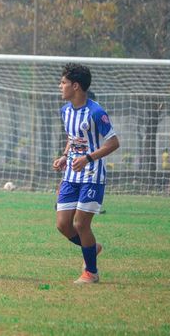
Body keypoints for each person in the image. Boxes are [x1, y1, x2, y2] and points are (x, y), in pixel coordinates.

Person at [52, 63, 120, 284]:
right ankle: (92, 248)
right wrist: (64, 156)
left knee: (81, 224)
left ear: (76, 86)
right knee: (63, 224)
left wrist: (89, 158)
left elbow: (113, 143)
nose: (60, 86)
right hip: (71, 175)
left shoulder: (96, 113)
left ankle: (91, 272)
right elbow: (72, 139)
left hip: (92, 176)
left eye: (63, 83)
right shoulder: (65, 111)